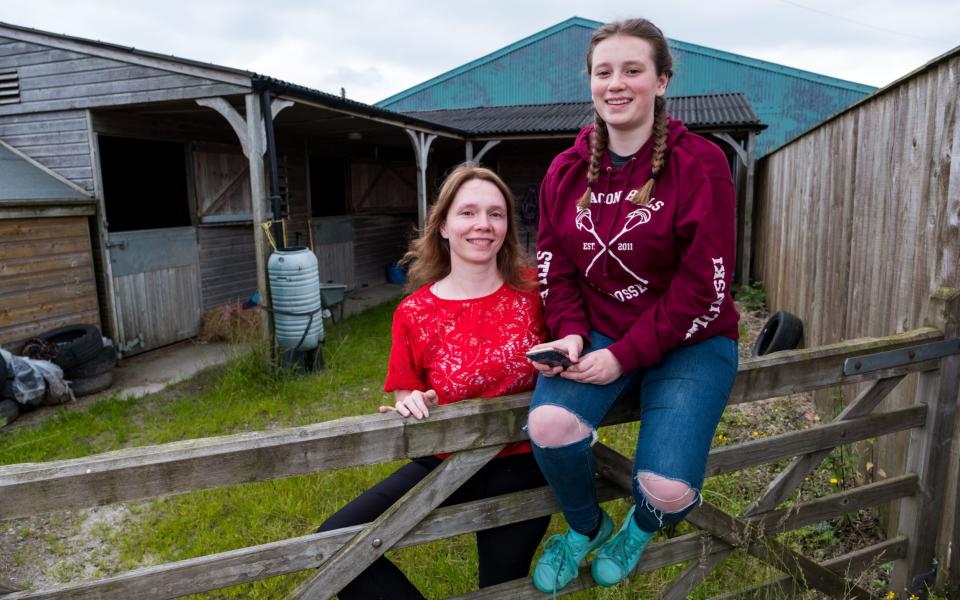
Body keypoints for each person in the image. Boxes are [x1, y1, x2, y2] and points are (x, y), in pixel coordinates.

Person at [524, 18, 741, 593]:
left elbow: (706, 286)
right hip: (598, 330)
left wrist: (625, 357)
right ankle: (585, 526)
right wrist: (570, 333)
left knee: (669, 488)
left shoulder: (701, 165)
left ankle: (639, 528)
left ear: (662, 80)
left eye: (633, 70)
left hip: (691, 338)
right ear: (591, 83)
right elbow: (555, 265)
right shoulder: (565, 172)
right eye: (603, 72)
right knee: (548, 424)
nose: (615, 84)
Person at [316, 163, 550, 599]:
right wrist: (409, 403)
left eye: (496, 214)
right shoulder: (415, 312)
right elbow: (407, 389)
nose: (483, 225)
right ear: (443, 225)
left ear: (507, 227)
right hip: (445, 462)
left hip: (523, 463)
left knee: (499, 589)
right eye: (468, 213)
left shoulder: (536, 291)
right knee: (335, 539)